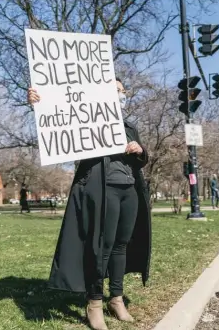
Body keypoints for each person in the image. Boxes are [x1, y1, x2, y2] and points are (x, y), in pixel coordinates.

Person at [27, 78, 151, 330]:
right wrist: (39, 105)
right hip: (101, 190)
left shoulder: (129, 126)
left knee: (121, 245)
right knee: (101, 247)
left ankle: (116, 299)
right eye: (115, 90)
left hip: (129, 191)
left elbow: (140, 160)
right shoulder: (87, 119)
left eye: (122, 91)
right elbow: (59, 120)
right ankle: (94, 302)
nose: (120, 95)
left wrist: (140, 150)